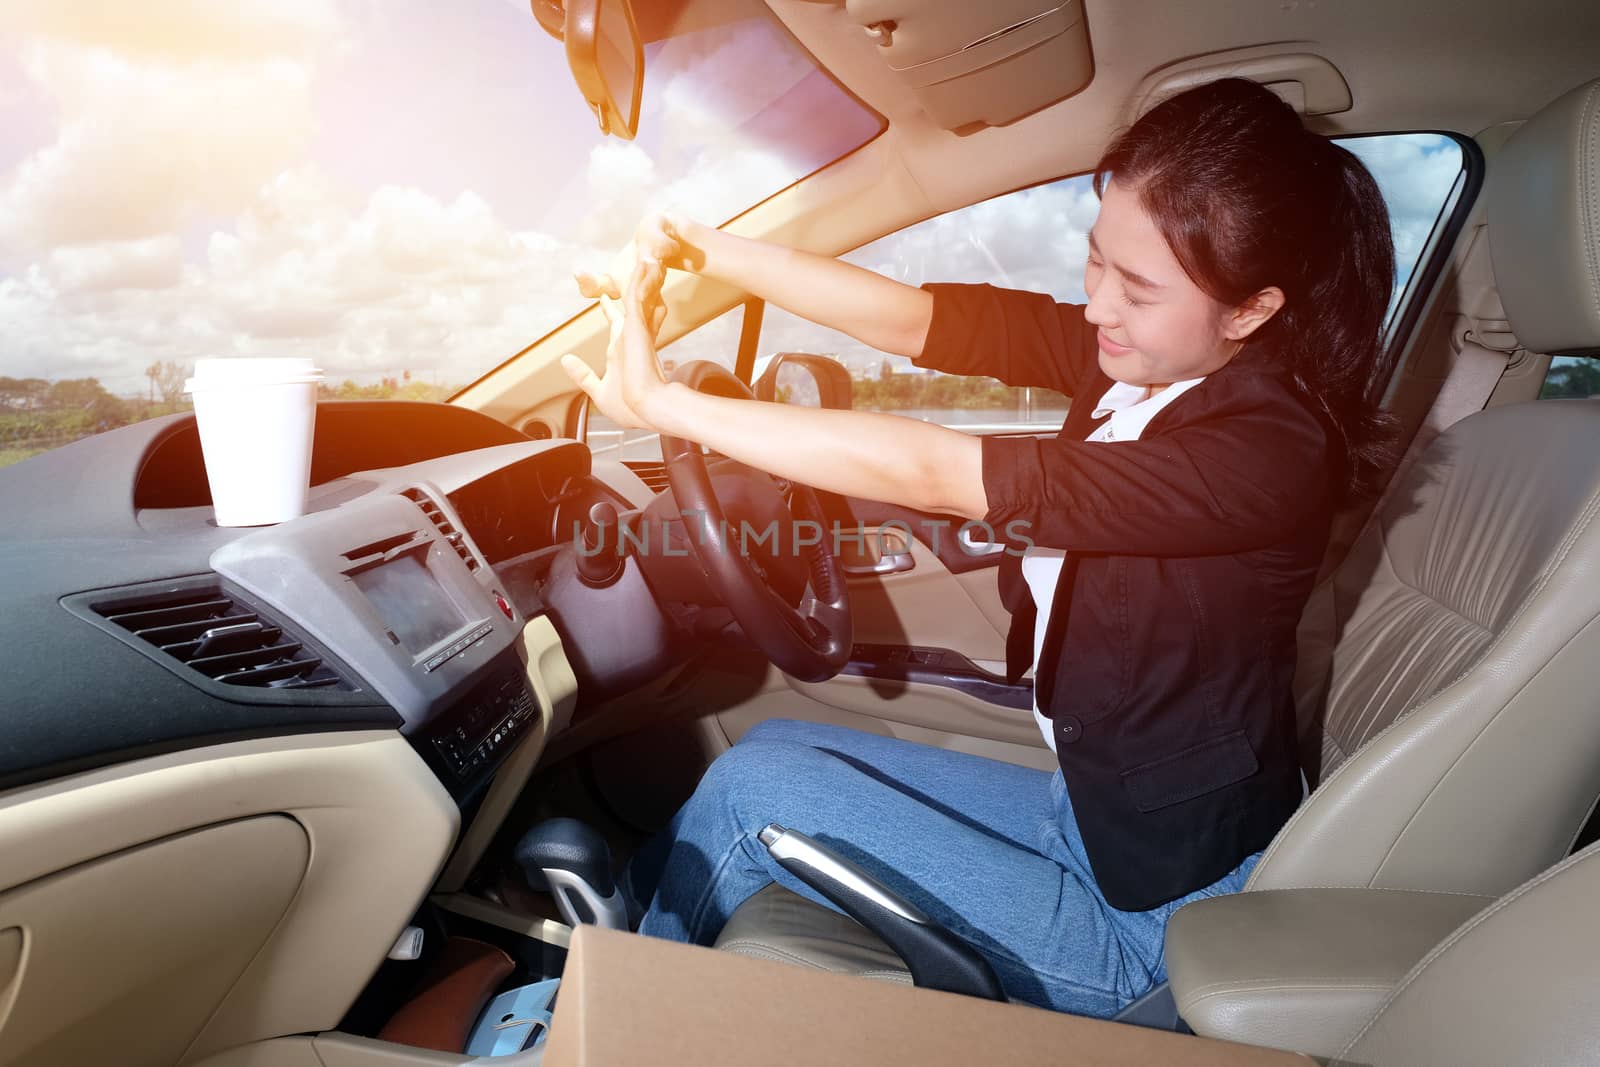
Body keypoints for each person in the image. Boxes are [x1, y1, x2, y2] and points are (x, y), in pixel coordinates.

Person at [559, 77, 1398, 1017]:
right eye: (1096, 263)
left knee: (754, 789)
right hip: (1095, 819)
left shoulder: (1267, 451)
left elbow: (946, 472)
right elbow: (924, 322)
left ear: (1249, 312)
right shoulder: (1157, 361)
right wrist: (705, 248)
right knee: (781, 739)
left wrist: (668, 406)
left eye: (1139, 288)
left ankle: (587, 1017)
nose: (1098, 307)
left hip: (1157, 918)